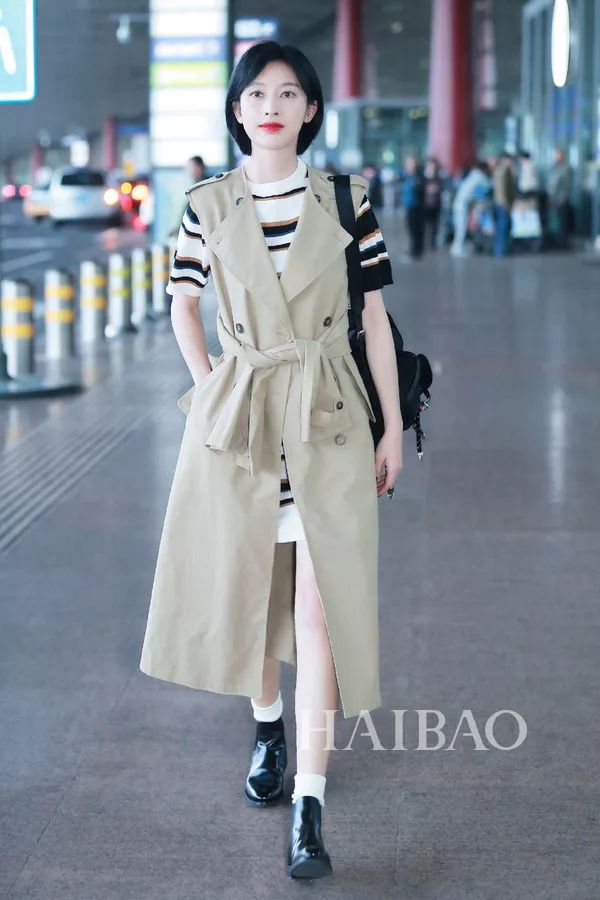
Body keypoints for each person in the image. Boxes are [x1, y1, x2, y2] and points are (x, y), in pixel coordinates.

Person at [138, 39, 403, 880]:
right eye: (256, 94)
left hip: (328, 418)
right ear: (237, 110)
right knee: (252, 592)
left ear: (312, 109)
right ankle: (266, 726)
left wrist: (393, 429)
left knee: (322, 611)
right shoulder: (207, 205)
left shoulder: (346, 199)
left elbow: (374, 322)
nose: (272, 107)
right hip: (245, 419)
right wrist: (214, 387)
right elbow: (182, 304)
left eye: (289, 93)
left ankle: (309, 806)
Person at [450, 160, 491, 256]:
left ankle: (457, 247)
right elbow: (487, 185)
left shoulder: (472, 175)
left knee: (460, 227)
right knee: (461, 227)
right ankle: (457, 249)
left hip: (460, 204)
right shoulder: (479, 176)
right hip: (462, 205)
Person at [400, 155, 426, 260]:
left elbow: (420, 189)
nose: (408, 166)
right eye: (407, 163)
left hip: (416, 207)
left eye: (411, 163)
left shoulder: (418, 176)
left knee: (416, 230)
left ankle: (415, 252)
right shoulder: (408, 175)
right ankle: (413, 250)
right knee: (411, 229)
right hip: (409, 206)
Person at [546, 147, 572, 249]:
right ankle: (556, 241)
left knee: (562, 223)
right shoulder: (554, 168)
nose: (556, 157)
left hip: (561, 200)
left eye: (558, 155)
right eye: (556, 155)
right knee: (555, 222)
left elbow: (566, 186)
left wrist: (561, 199)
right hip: (553, 199)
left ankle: (563, 243)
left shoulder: (565, 169)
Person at [492, 152, 516, 257]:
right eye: (509, 160)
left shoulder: (506, 171)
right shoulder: (502, 171)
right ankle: (500, 251)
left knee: (505, 226)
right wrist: (505, 203)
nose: (511, 162)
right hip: (502, 204)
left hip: (503, 203)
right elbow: (501, 190)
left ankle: (503, 249)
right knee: (502, 227)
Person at [423, 156, 443, 250]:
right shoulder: (424, 176)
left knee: (435, 225)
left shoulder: (438, 177)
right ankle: (425, 243)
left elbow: (440, 188)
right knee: (425, 225)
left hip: (435, 204)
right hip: (426, 205)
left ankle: (432, 243)